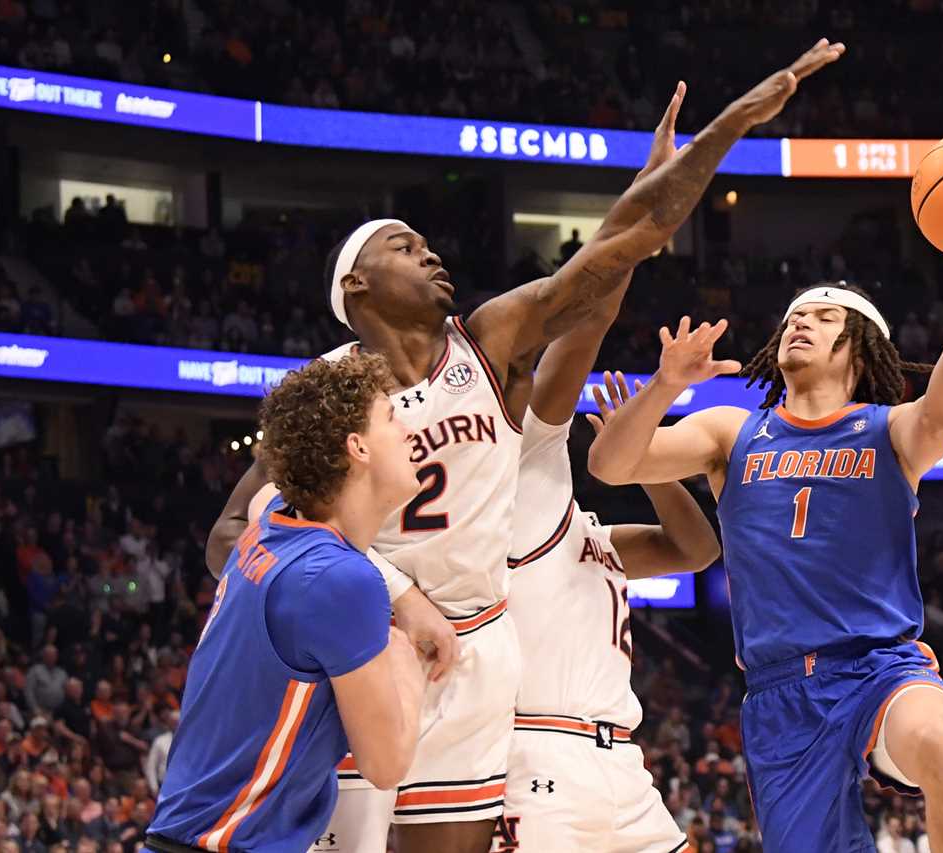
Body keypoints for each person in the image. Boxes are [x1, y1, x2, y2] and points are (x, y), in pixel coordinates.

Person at [206, 38, 843, 853]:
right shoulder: (330, 391)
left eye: (426, 243)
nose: (428, 251)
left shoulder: (488, 341)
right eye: (402, 245)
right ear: (355, 287)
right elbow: (232, 537)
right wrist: (369, 596)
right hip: (374, 651)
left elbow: (619, 252)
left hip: (481, 662)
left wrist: (727, 129)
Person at [588, 194, 943, 852]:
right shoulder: (732, 432)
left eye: (823, 317)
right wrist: (664, 386)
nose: (800, 323)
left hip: (880, 664)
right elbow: (613, 463)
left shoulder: (890, 432)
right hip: (780, 694)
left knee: (940, 744)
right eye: (795, 317)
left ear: (858, 346)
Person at [145, 353, 429, 852]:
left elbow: (269, 491)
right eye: (391, 417)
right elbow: (387, 764)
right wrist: (403, 652)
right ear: (357, 447)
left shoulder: (272, 524)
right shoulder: (342, 581)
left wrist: (402, 592)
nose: (409, 431)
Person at [501, 270, 719, 850]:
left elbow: (697, 551)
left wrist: (649, 462)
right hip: (537, 751)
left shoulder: (591, 533)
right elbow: (554, 385)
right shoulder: (514, 517)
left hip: (621, 761)